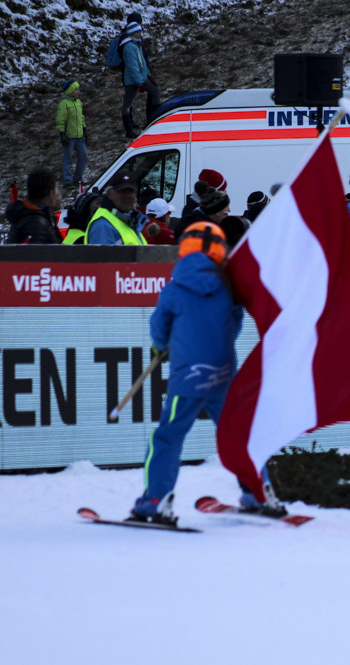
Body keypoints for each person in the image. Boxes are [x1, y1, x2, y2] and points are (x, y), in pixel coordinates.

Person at [129, 221, 273, 525]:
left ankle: (155, 501)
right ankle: (260, 493)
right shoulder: (227, 286)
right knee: (240, 436)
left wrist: (160, 348)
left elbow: (158, 327)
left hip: (188, 377)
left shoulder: (174, 288)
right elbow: (233, 326)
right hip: (223, 373)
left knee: (167, 437)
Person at [119, 21, 161, 138]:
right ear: (132, 33)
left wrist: (149, 76)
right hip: (133, 81)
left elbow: (142, 63)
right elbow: (132, 67)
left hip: (142, 78)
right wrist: (140, 82)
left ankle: (154, 119)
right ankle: (129, 131)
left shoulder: (137, 44)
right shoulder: (128, 47)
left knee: (155, 91)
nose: (140, 34)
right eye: (138, 32)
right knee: (127, 103)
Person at [5, 167, 63, 244]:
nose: (59, 196)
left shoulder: (30, 216)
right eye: (57, 191)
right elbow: (35, 254)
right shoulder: (35, 225)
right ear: (51, 194)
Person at [86, 175, 148, 245]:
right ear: (110, 193)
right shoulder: (103, 225)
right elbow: (101, 255)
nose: (127, 196)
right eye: (122, 191)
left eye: (131, 191)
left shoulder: (129, 221)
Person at [56, 79, 87, 188]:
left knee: (83, 156)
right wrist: (62, 133)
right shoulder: (63, 104)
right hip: (69, 137)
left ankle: (77, 178)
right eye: (76, 89)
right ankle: (68, 181)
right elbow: (60, 119)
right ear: (70, 91)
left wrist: (84, 129)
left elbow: (81, 117)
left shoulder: (78, 103)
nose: (78, 91)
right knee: (68, 159)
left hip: (79, 136)